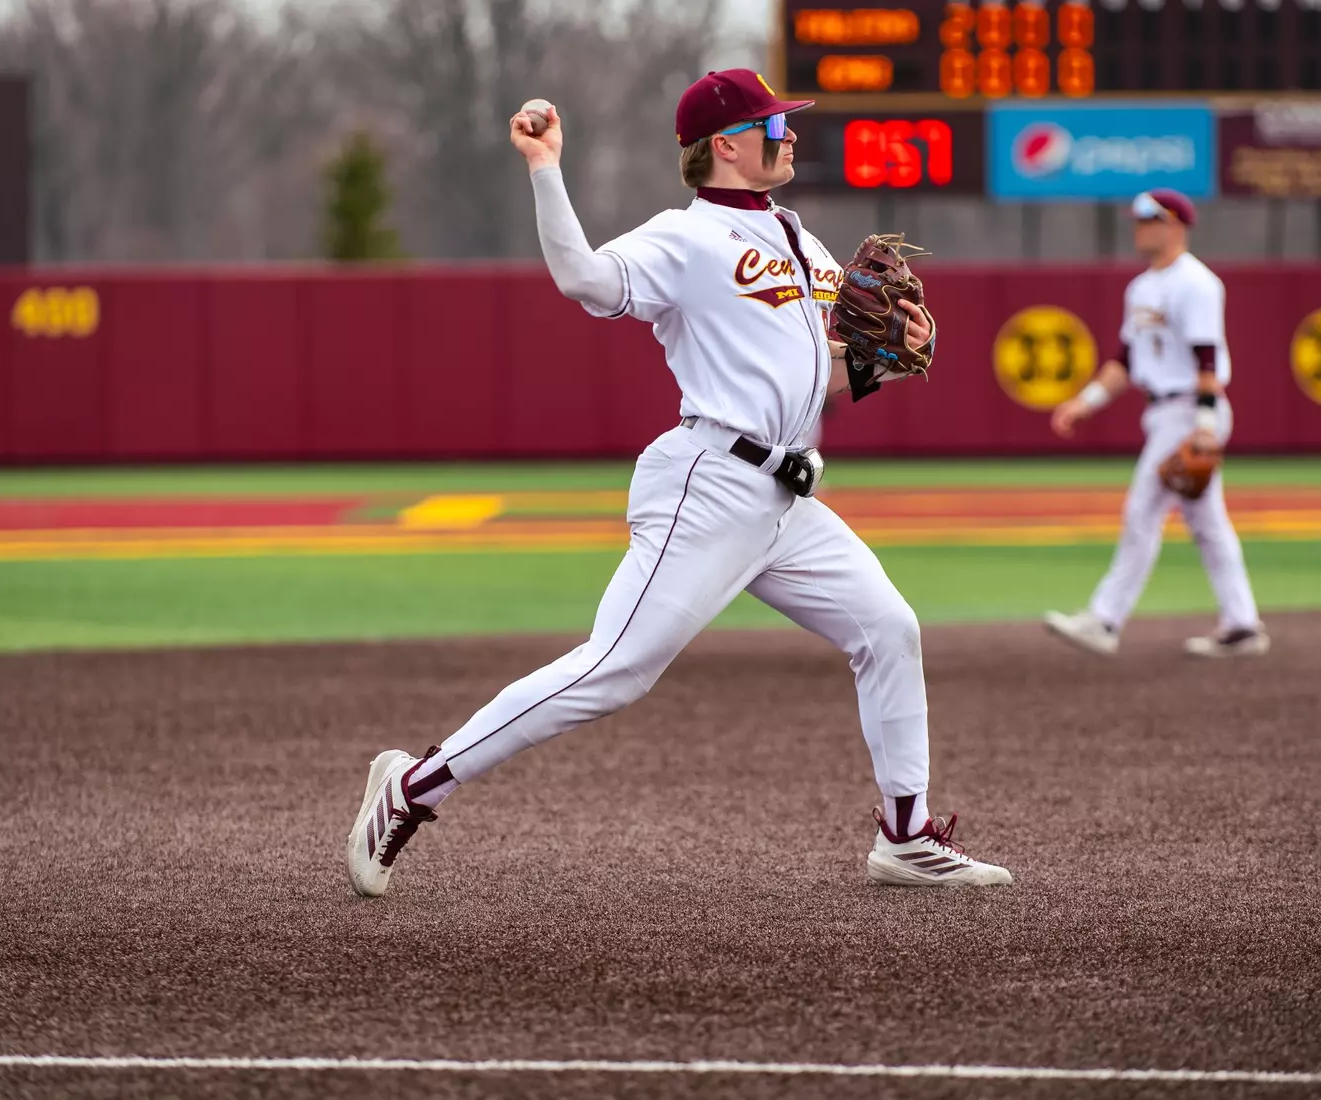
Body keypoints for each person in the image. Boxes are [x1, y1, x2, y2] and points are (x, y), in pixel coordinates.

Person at [344, 70, 1013, 896]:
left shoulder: (802, 241)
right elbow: (585, 282)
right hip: (711, 484)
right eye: (774, 124)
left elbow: (820, 372)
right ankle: (411, 788)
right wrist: (546, 167)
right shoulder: (684, 237)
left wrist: (888, 355)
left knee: (888, 627)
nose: (791, 134)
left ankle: (905, 837)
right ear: (727, 145)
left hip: (785, 498)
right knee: (612, 671)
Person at [1043, 189, 1269, 659]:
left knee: (1143, 511)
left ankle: (1105, 619)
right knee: (1207, 523)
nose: (1139, 226)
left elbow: (1207, 357)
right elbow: (1124, 360)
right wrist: (1083, 403)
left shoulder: (1196, 283)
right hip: (1163, 409)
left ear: (1176, 225)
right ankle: (1243, 623)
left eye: (1150, 218)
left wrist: (1205, 425)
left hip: (1191, 410)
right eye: (1138, 219)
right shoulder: (1142, 287)